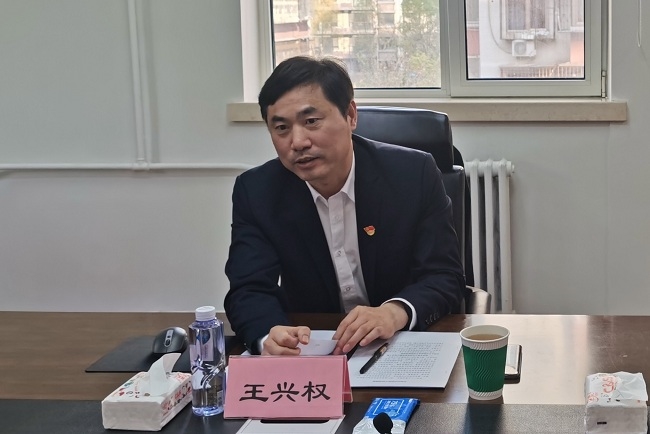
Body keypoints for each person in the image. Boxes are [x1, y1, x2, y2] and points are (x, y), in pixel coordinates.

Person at [224, 56, 465, 356]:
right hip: (313, 352)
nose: (298, 142)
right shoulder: (257, 192)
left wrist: (394, 312)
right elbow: (248, 289)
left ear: (350, 115)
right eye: (282, 128)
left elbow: (444, 276)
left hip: (401, 346)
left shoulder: (413, 174)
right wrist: (267, 336)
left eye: (311, 121)